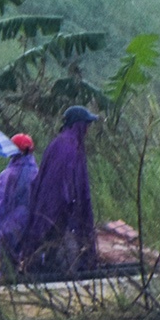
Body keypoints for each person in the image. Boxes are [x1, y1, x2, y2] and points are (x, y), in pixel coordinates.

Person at [27, 106, 101, 271]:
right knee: (67, 260)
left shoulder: (60, 143)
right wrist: (72, 211)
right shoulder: (69, 147)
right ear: (78, 125)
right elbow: (66, 184)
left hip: (49, 212)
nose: (88, 129)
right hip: (61, 214)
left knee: (50, 254)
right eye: (86, 124)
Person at [0, 133, 38, 265]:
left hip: (8, 227)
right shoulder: (37, 173)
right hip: (32, 226)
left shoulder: (7, 175)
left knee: (8, 263)